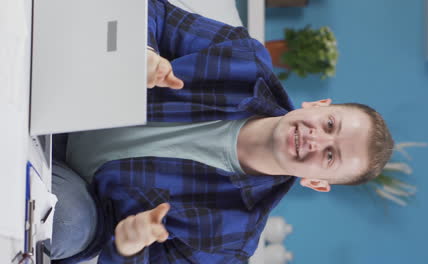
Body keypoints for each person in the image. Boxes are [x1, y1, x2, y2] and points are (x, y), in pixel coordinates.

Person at [50, 0, 394, 263]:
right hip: (76, 98)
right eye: (330, 124)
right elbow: (152, 10)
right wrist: (144, 52)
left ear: (317, 183)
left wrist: (128, 247)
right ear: (318, 106)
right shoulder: (244, 59)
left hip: (82, 198)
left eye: (330, 156)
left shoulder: (232, 240)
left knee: (67, 223)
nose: (316, 139)